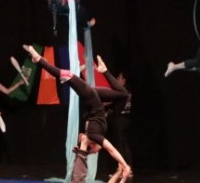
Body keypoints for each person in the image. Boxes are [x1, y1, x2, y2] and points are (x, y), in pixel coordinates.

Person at [23, 44, 132, 174]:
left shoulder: (92, 135)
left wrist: (83, 151)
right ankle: (104, 70)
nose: (81, 139)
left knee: (68, 75)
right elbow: (111, 150)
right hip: (94, 97)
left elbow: (97, 147)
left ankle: (39, 61)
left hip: (91, 98)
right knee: (123, 94)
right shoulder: (96, 136)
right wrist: (124, 165)